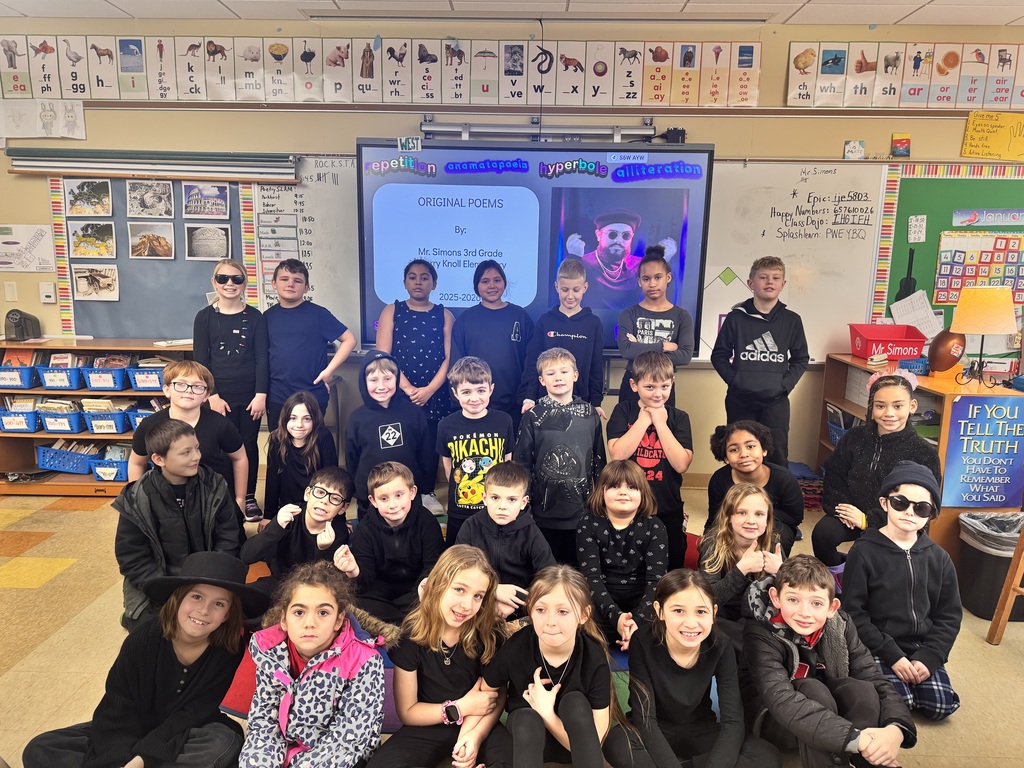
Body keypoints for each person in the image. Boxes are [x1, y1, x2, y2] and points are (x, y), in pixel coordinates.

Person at [23, 552, 270, 768]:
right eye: (196, 597)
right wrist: (119, 761)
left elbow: (195, 713)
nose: (204, 610)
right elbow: (118, 705)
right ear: (178, 598)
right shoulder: (144, 638)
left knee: (221, 744)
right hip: (135, 723)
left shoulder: (230, 651)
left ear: (228, 614)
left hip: (187, 731)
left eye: (219, 604)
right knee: (42, 748)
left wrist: (143, 758)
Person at [743, 555, 917, 768]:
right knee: (812, 688)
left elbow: (875, 680)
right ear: (776, 598)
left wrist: (896, 729)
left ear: (832, 607)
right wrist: (855, 739)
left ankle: (869, 759)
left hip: (830, 715)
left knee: (862, 690)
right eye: (793, 599)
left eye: (816, 603)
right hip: (773, 718)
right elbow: (780, 700)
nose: (804, 612)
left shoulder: (841, 625)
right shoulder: (760, 633)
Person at [482, 565, 650, 768]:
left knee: (575, 702)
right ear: (531, 611)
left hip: (577, 746)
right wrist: (474, 733)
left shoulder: (592, 656)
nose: (551, 621)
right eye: (541, 610)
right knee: (526, 717)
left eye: (563, 611)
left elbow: (596, 739)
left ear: (583, 615)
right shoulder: (518, 646)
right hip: (529, 743)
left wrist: (548, 714)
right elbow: (487, 689)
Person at [365, 545, 514, 768]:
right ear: (437, 585)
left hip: (481, 723)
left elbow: (494, 698)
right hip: (429, 724)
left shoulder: (489, 635)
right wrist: (460, 707)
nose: (466, 605)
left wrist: (472, 738)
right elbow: (408, 712)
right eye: (459, 590)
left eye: (478, 596)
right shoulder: (411, 637)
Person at [842, 461, 962, 720]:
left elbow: (949, 615)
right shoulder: (863, 552)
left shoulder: (939, 558)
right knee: (896, 705)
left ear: (931, 514)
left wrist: (930, 656)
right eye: (901, 503)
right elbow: (853, 612)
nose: (910, 512)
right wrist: (892, 655)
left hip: (921, 644)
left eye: (921, 508)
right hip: (877, 645)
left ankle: (917, 675)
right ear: (885, 503)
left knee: (941, 706)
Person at [628, 569, 782, 768]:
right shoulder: (642, 641)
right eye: (678, 611)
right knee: (617, 744)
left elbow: (733, 721)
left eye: (701, 611)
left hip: (701, 729)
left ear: (713, 613)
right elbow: (645, 719)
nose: (691, 623)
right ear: (659, 611)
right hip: (656, 728)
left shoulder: (721, 644)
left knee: (766, 756)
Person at [239, 560, 385, 768]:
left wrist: (298, 763)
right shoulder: (270, 652)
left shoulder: (365, 662)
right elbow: (264, 721)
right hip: (288, 748)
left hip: (343, 754)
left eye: (323, 613)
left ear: (338, 620)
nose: (310, 623)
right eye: (299, 612)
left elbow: (348, 739)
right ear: (284, 619)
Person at [811, 370, 941, 592]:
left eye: (898, 406)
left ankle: (867, 585)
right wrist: (843, 509)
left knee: (868, 554)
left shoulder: (923, 452)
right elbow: (834, 475)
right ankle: (838, 580)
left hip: (895, 521)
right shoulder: (854, 437)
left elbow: (920, 506)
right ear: (871, 408)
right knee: (823, 533)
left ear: (912, 406)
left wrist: (868, 521)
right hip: (850, 513)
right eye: (880, 406)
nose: (888, 413)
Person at [115, 419, 241, 630]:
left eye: (197, 448)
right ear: (158, 459)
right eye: (186, 453)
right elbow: (132, 558)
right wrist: (169, 591)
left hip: (209, 581)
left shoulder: (215, 485)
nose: (197, 457)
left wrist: (210, 583)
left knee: (226, 630)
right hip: (158, 587)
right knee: (155, 635)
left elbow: (228, 538)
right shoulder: (136, 497)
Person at [710, 256, 809, 467]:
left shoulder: (792, 320)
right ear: (751, 283)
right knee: (739, 451)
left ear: (783, 284)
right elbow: (718, 355)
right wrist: (736, 381)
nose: (769, 282)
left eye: (775, 278)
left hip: (776, 402)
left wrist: (784, 386)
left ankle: (774, 500)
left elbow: (801, 359)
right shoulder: (736, 318)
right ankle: (739, 497)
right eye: (763, 277)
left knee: (776, 453)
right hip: (740, 400)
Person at [376, 258, 455, 516]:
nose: (418, 281)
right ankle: (399, 492)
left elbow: (448, 357)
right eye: (412, 277)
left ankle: (427, 492)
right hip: (398, 391)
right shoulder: (392, 311)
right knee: (400, 443)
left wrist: (430, 389)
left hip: (435, 392)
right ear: (405, 282)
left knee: (430, 444)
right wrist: (408, 388)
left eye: (424, 277)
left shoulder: (444, 314)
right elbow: (383, 355)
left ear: (434, 283)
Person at [514, 347, 606, 565]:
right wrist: (523, 504)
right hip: (543, 511)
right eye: (551, 373)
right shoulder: (533, 416)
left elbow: (599, 461)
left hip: (581, 509)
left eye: (564, 372)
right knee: (546, 567)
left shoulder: (590, 414)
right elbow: (522, 464)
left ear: (575, 375)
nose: (558, 378)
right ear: (541, 380)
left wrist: (601, 501)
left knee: (577, 567)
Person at [193, 258, 269, 522]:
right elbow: (201, 361)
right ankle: (222, 496)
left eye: (236, 279)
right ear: (214, 282)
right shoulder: (204, 318)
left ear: (244, 283)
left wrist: (261, 394)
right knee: (218, 446)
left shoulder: (256, 317)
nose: (229, 284)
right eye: (223, 278)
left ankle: (247, 497)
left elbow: (262, 358)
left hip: (250, 397)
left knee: (248, 444)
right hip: (216, 397)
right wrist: (211, 396)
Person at [607, 350, 694, 570]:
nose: (658, 394)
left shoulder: (679, 418)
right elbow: (617, 455)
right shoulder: (623, 411)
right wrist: (644, 420)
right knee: (628, 562)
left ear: (672, 382)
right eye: (649, 387)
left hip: (666, 505)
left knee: (672, 562)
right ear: (634, 385)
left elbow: (681, 464)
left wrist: (661, 424)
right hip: (628, 506)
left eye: (664, 387)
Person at [129, 360, 247, 518]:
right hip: (167, 499)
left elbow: (240, 458)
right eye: (181, 384)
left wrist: (240, 499)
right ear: (167, 390)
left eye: (198, 386)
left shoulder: (221, 424)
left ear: (206, 395)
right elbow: (137, 462)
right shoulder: (149, 426)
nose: (189, 391)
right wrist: (138, 501)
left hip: (214, 498)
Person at [578, 460, 667, 651]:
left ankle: (634, 632)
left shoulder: (655, 526)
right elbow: (591, 578)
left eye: (632, 487)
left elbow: (655, 581)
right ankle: (622, 634)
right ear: (602, 491)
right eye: (614, 486)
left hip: (643, 601)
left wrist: (637, 619)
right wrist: (616, 616)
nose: (623, 492)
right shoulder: (588, 524)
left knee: (668, 616)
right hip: (601, 600)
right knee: (576, 619)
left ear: (643, 493)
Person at [346, 461, 446, 624]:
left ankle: (404, 622)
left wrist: (424, 586)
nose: (393, 505)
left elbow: (432, 565)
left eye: (399, 495)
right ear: (373, 501)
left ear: (412, 492)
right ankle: (407, 623)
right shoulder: (365, 529)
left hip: (416, 591)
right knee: (354, 603)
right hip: (380, 595)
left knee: (440, 596)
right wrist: (354, 571)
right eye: (384, 498)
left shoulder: (427, 522)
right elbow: (365, 581)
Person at [264, 257, 356, 430]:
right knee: (280, 450)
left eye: (297, 281)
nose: (291, 284)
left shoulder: (319, 315)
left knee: (312, 450)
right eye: (285, 279)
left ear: (306, 287)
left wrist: (329, 371)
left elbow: (349, 340)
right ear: (274, 283)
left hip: (312, 395)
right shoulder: (267, 317)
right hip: (278, 396)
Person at [455, 461, 555, 618]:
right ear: (484, 498)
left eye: (512, 500)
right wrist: (493, 592)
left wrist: (516, 602)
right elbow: (457, 571)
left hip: (520, 606)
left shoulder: (531, 533)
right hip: (476, 602)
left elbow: (550, 578)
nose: (502, 506)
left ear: (523, 502)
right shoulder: (470, 526)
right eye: (495, 497)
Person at [345, 351, 434, 519]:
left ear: (397, 379)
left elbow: (425, 453)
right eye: (373, 380)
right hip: (371, 498)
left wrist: (424, 485)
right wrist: (358, 491)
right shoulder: (356, 418)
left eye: (387, 379)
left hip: (408, 496)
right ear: (364, 382)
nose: (381, 386)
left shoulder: (413, 413)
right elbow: (352, 460)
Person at [437, 356, 515, 543]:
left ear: (491, 389)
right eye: (466, 392)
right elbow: (448, 470)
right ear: (455, 393)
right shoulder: (446, 425)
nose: (474, 398)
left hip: (495, 508)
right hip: (460, 509)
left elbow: (508, 464)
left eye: (481, 390)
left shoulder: (504, 421)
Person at [452, 259, 534, 434]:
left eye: (497, 280)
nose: (492, 285)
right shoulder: (465, 320)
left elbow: (531, 361)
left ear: (504, 283)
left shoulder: (520, 316)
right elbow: (456, 366)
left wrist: (527, 396)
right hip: (475, 406)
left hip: (515, 406)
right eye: (485, 281)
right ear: (476, 286)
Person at [517, 258, 606, 418]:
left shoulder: (593, 323)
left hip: (580, 403)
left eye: (576, 290)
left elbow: (596, 366)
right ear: (557, 287)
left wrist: (596, 402)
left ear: (585, 288)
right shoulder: (545, 321)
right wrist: (529, 397)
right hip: (545, 402)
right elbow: (532, 363)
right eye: (565, 289)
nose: (570, 295)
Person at [241, 466, 353, 593]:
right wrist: (275, 527)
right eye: (320, 492)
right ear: (307, 494)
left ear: (343, 508)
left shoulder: (339, 532)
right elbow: (246, 556)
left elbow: (325, 580)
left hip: (312, 590)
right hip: (279, 582)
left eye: (335, 498)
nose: (324, 501)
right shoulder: (291, 516)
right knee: (247, 595)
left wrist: (322, 550)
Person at [707, 420, 804, 555]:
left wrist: (758, 517)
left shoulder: (784, 478)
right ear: (726, 458)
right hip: (732, 524)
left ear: (764, 450)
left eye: (751, 446)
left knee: (777, 540)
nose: (744, 454)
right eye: (734, 450)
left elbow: (794, 517)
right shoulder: (719, 480)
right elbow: (714, 518)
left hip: (774, 525)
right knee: (712, 545)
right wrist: (707, 544)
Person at [616, 245, 694, 408]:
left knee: (661, 431)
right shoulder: (629, 314)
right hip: (633, 385)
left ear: (668, 278)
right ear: (639, 281)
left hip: (664, 387)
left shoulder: (682, 316)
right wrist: (664, 346)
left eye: (658, 277)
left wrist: (640, 348)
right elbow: (627, 350)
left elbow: (685, 355)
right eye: (646, 278)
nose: (652, 284)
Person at [700, 483, 783, 625]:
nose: (751, 521)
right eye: (741, 512)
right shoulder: (713, 545)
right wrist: (741, 569)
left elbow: (792, 596)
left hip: (760, 616)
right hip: (723, 616)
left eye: (759, 514)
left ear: (767, 519)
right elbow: (708, 599)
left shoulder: (773, 546)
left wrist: (781, 571)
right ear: (728, 517)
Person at [566, 208, 678, 311]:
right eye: (612, 234)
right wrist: (574, 259)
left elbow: (662, 303)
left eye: (626, 236)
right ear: (598, 235)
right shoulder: (583, 263)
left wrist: (663, 263)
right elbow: (562, 299)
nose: (619, 241)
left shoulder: (640, 266)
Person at [262, 390, 338, 522]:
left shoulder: (323, 437)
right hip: (288, 509)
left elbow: (333, 481)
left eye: (306, 419)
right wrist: (268, 516)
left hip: (317, 509)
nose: (299, 425)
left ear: (315, 419)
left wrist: (338, 518)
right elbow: (272, 480)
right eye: (293, 418)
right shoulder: (277, 438)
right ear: (285, 418)